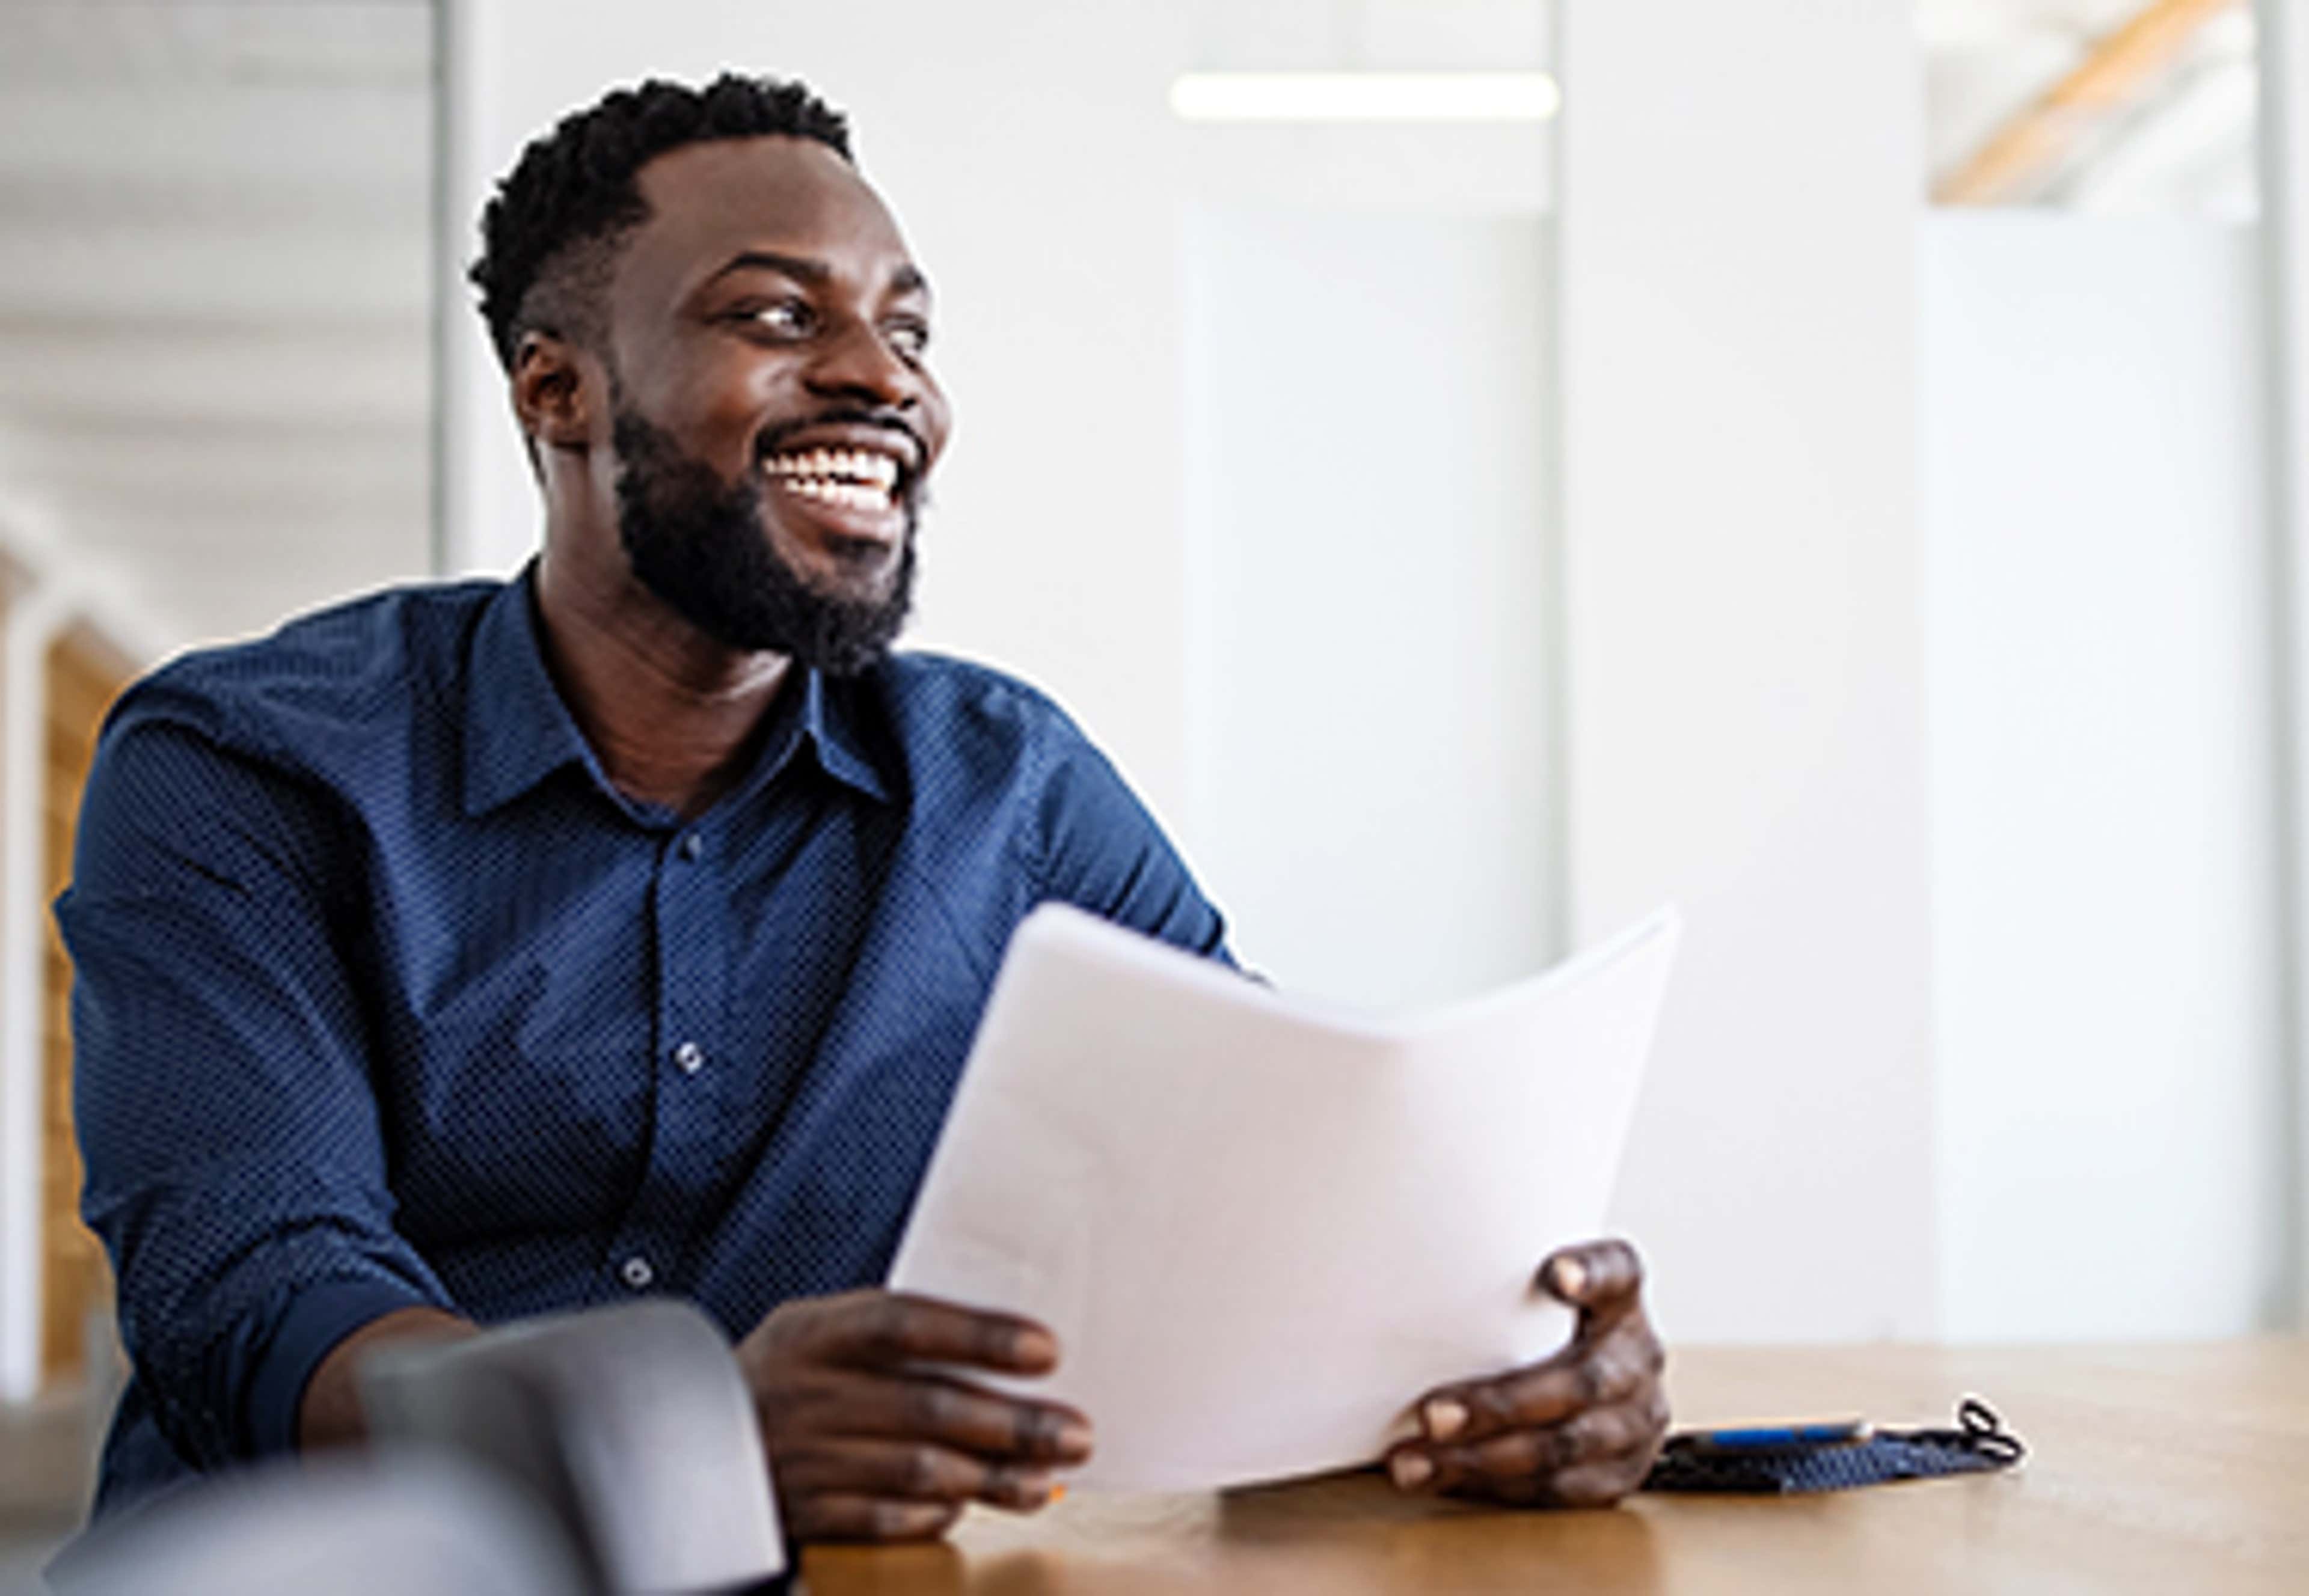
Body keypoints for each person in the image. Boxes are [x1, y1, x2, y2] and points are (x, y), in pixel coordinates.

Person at [61, 73, 1667, 1543]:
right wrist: (681, 1437)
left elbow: (1260, 1209)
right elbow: (256, 1292)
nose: (879, 380)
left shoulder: (1010, 790)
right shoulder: (247, 765)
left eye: (910, 331)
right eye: (776, 315)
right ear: (559, 390)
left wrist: (1495, 1385)